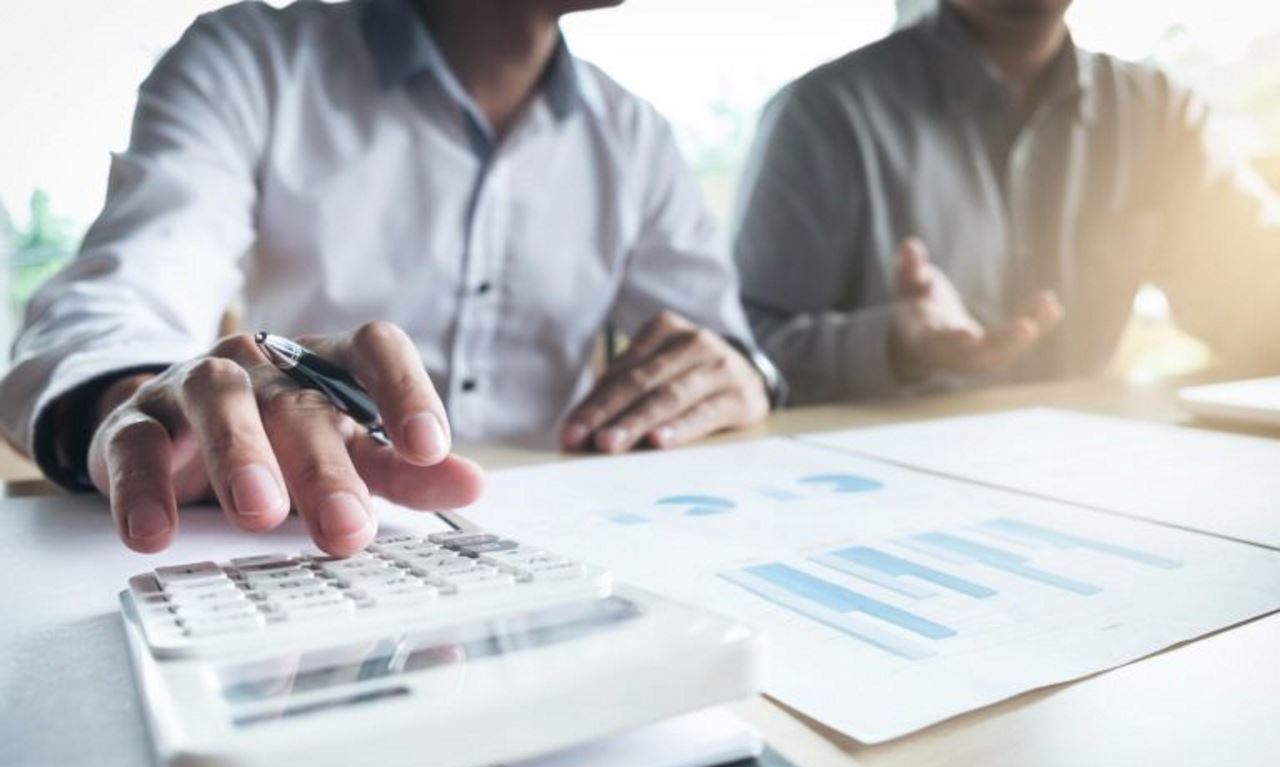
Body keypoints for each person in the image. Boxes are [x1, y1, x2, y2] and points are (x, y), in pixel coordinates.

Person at [0, 0, 781, 556]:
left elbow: (725, 342)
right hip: (299, 534)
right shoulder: (253, 62)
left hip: (576, 546)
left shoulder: (636, 137)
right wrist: (130, 399)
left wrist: (745, 370)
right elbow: (118, 296)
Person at [734, 0, 1280, 405]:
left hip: (1089, 481)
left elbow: (1253, 296)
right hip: (874, 491)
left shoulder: (1158, 115)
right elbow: (741, 354)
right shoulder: (825, 116)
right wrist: (891, 344)